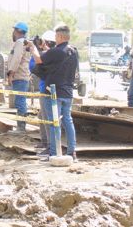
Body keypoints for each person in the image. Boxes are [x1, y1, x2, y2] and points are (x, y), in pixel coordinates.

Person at [34, 24, 81, 160]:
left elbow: (39, 59)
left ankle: (54, 153)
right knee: (68, 121)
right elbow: (56, 56)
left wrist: (32, 48)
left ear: (60, 36)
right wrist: (45, 48)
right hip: (68, 92)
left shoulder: (56, 52)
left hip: (54, 93)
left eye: (56, 36)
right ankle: (72, 152)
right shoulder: (73, 51)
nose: (55, 38)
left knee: (54, 123)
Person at [4, 21, 35, 132]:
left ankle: (21, 127)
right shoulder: (25, 43)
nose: (13, 33)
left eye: (14, 30)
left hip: (19, 75)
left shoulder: (20, 43)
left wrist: (11, 74)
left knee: (20, 101)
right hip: (23, 75)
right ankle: (21, 126)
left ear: (18, 31)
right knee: (20, 100)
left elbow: (16, 59)